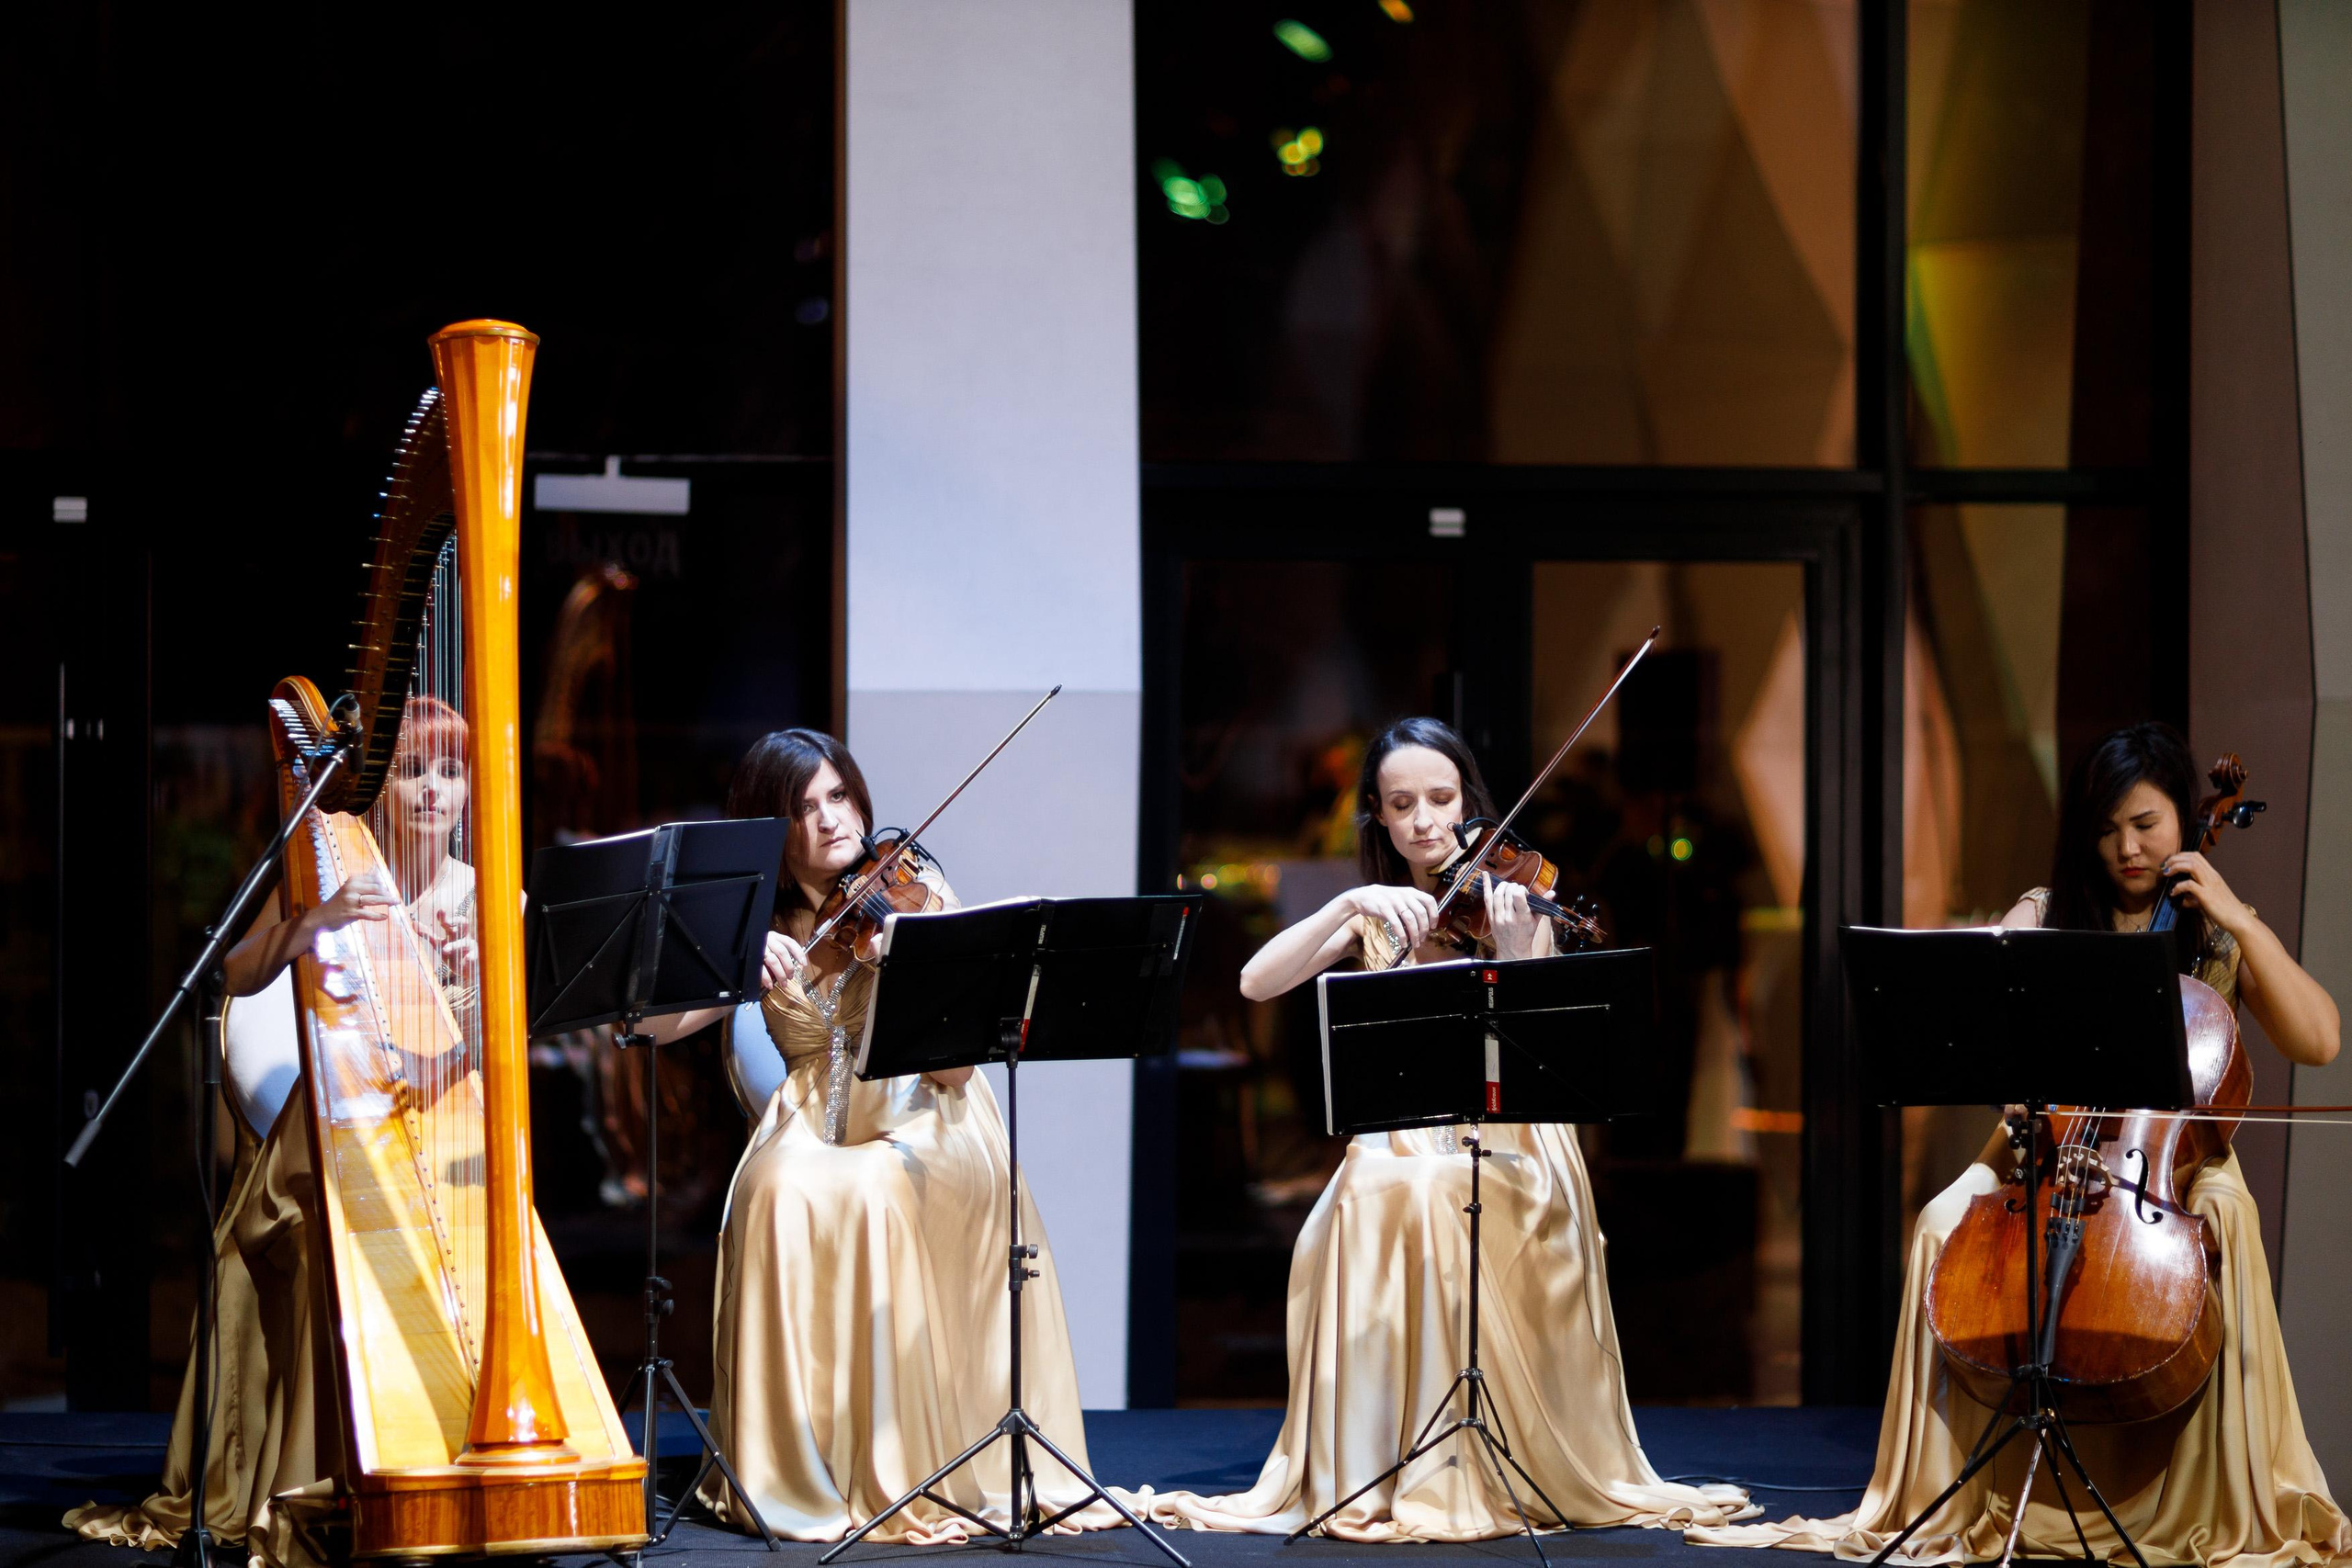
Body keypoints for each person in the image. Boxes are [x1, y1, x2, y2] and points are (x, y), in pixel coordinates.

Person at [1690, 722, 2346, 1565]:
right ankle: (1946, 1488)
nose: (2127, 847)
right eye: (2108, 828)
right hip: (2040, 1143)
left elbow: (2320, 1037)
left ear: (2186, 819)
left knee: (2227, 1219)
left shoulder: (2214, 931)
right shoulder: (2045, 911)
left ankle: (2198, 1496)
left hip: (2172, 1164)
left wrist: (2235, 914)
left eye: (2146, 824)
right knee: (1937, 1223)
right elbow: (1983, 1028)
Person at [1138, 716, 1752, 1541]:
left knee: (1425, 1187)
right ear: (1380, 819)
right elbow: (1254, 982)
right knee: (1386, 1184)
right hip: (1400, 1138)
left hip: (1510, 1139)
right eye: (1403, 804)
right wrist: (1351, 901)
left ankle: (1477, 1458)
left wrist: (1511, 945)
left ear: (1469, 801)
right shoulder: (1381, 911)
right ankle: (1389, 1458)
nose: (1425, 820)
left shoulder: (1515, 896)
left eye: (1441, 797)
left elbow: (1539, 1050)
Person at [635, 728, 1116, 1542]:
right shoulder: (755, 916)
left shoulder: (917, 889)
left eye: (839, 796)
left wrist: (907, 962)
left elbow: (959, 1072)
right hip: (808, 1121)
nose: (831, 820)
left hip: (925, 1111)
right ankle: (797, 1467)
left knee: (878, 1186)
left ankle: (904, 1465)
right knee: (780, 1189)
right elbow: (653, 1028)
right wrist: (734, 961)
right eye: (802, 808)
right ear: (769, 827)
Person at [66, 696, 481, 1568]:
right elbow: (235, 969)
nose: (435, 791)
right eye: (413, 772)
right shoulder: (328, 863)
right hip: (333, 1120)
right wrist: (315, 922)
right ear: (380, 788)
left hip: (441, 1129)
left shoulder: (488, 896)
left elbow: (506, 1048)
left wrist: (473, 981)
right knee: (309, 1224)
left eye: (452, 771)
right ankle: (313, 1480)